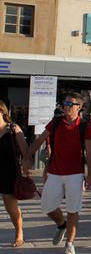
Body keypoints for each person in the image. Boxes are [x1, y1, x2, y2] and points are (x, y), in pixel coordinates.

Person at [27, 92, 91, 254]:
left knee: (73, 209)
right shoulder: (56, 122)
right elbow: (40, 140)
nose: (66, 106)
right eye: (65, 103)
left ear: (79, 108)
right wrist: (27, 156)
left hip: (75, 174)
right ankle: (61, 225)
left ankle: (70, 243)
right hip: (55, 172)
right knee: (47, 205)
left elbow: (90, 154)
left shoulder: (85, 126)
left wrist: (90, 174)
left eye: (70, 104)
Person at [0, 100, 30, 247]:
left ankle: (19, 233)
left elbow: (25, 151)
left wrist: (26, 166)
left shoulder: (13, 129)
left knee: (11, 208)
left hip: (8, 173)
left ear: (1, 110)